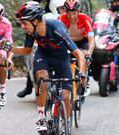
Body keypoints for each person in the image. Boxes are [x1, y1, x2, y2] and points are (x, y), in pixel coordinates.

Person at [10, 1, 85, 132]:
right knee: (42, 79)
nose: (22, 26)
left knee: (66, 97)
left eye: (24, 23)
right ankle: (40, 117)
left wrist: (82, 73)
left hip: (61, 59)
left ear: (35, 21)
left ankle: (64, 124)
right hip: (43, 55)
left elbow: (78, 53)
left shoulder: (57, 28)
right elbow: (27, 50)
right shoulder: (31, 31)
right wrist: (10, 48)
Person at [17, 0, 66, 98]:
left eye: (65, 8)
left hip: (64, 44)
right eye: (61, 8)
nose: (63, 11)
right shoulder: (46, 17)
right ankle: (30, 85)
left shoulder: (70, 15)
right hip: (42, 34)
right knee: (35, 57)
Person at [58, 0, 95, 96]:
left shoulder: (85, 18)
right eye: (68, 13)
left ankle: (84, 80)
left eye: (74, 13)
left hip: (82, 41)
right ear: (65, 11)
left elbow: (91, 39)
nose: (71, 16)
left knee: (85, 57)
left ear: (78, 11)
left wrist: (89, 53)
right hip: (68, 42)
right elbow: (57, 37)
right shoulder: (61, 18)